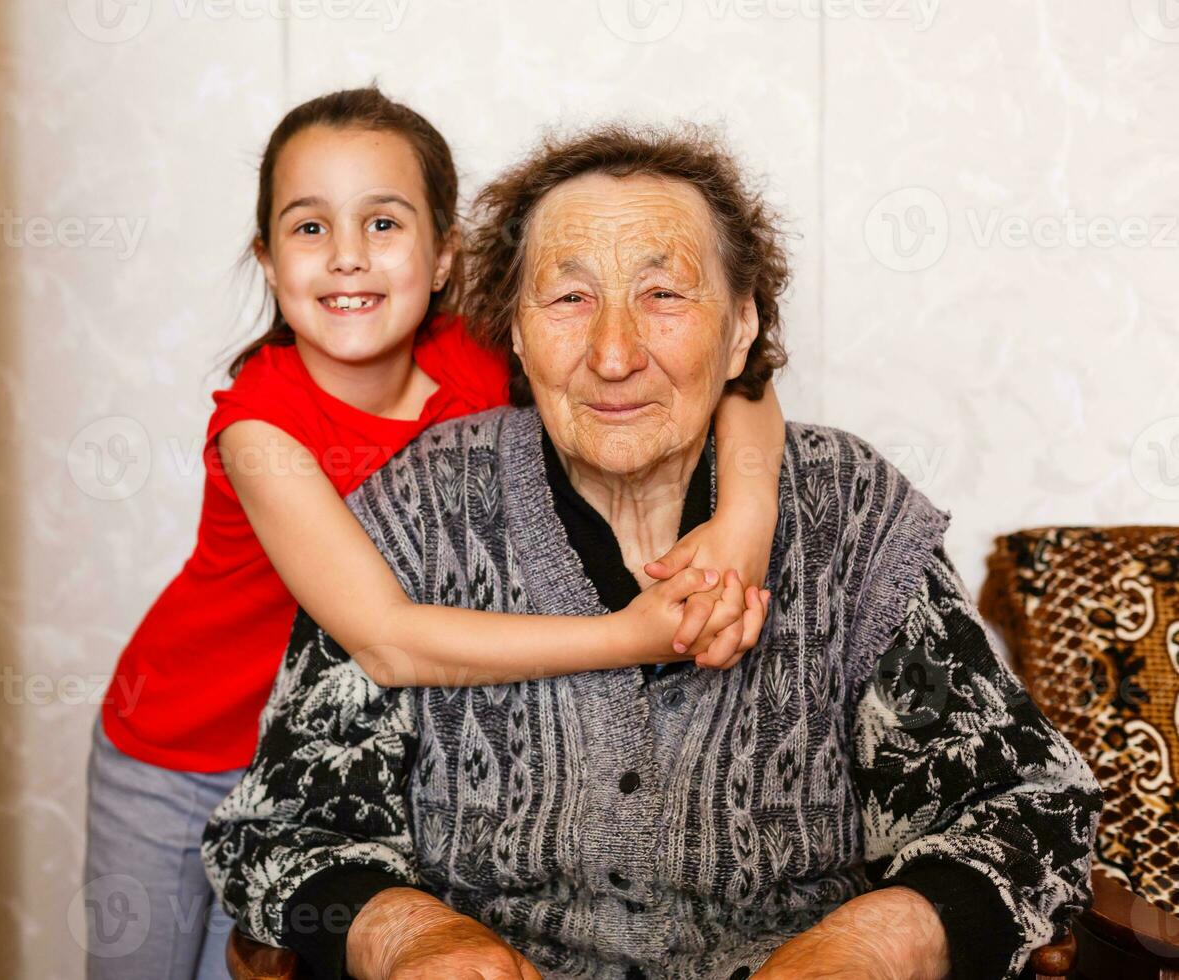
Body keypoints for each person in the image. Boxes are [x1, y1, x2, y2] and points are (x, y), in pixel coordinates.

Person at [201, 122, 1103, 980]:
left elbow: (1029, 802)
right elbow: (281, 827)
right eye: (568, 297)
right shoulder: (417, 507)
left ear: (743, 326)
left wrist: (880, 940)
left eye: (665, 294)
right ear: (514, 328)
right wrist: (411, 934)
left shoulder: (849, 511)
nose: (615, 351)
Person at [83, 89, 787, 979]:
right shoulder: (259, 429)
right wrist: (630, 636)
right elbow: (386, 640)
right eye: (308, 229)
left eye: (383, 223)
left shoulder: (489, 354)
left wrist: (744, 523)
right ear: (265, 259)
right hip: (184, 750)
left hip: (339, 761)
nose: (346, 258)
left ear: (446, 252)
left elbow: (747, 382)